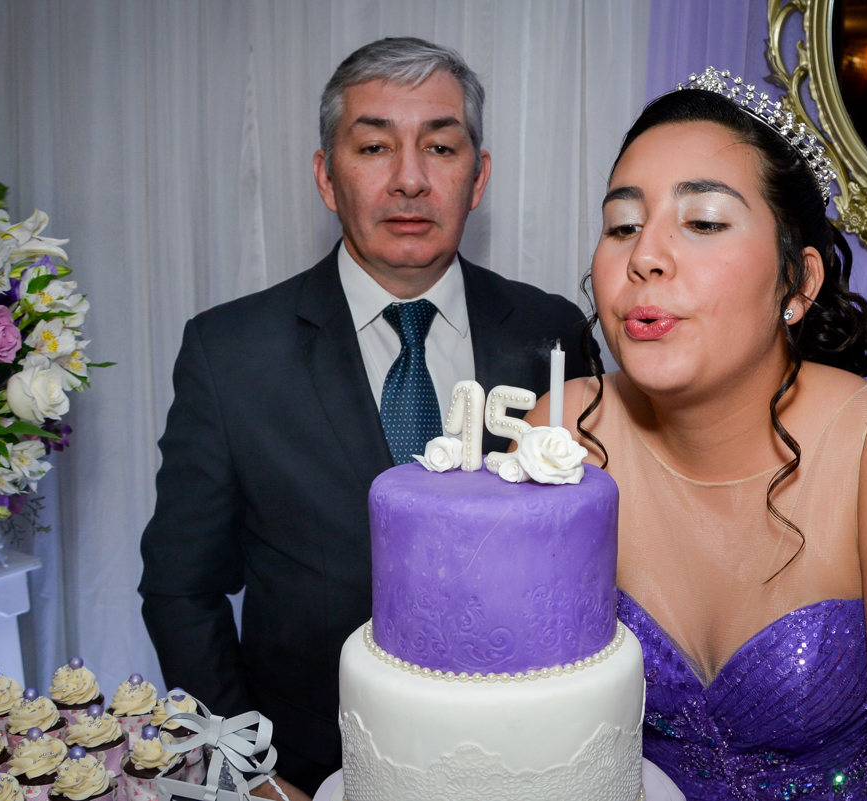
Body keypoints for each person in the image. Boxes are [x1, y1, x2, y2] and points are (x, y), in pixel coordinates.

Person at [139, 37, 600, 798]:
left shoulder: (548, 334)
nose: (411, 179)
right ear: (326, 175)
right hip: (309, 768)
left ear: (478, 176)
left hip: (527, 761)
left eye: (442, 147)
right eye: (375, 146)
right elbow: (180, 590)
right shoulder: (230, 354)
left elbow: (590, 554)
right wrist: (247, 769)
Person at [522, 74, 867, 799]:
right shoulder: (559, 433)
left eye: (702, 222)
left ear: (798, 284)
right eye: (621, 225)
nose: (645, 256)